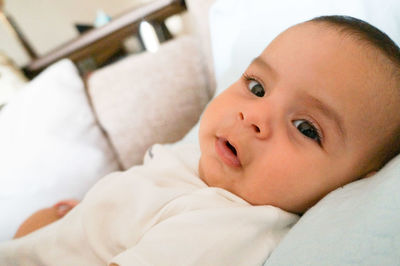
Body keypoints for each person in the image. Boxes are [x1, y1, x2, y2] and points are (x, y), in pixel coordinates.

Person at [1, 15, 400, 265]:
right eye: (257, 86)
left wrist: (37, 236)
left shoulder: (230, 228)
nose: (254, 115)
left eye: (306, 128)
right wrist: (81, 220)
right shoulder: (196, 164)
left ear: (352, 182)